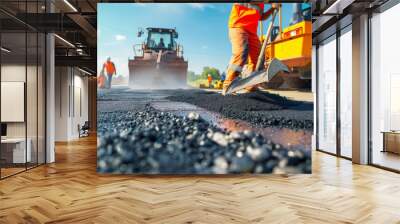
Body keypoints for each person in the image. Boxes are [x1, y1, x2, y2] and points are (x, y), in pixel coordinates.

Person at [222, 3, 278, 95]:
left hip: (252, 31)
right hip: (238, 26)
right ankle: (228, 85)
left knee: (258, 58)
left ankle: (251, 86)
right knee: (241, 53)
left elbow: (261, 17)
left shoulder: (262, 4)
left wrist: (272, 9)